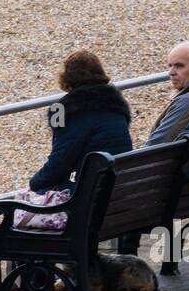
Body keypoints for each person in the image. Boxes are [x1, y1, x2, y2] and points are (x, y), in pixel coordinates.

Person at [29, 51, 132, 193]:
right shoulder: (118, 105)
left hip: (88, 197)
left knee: (24, 200)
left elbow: (58, 161)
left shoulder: (59, 110)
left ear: (66, 77)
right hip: (119, 191)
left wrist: (33, 183)